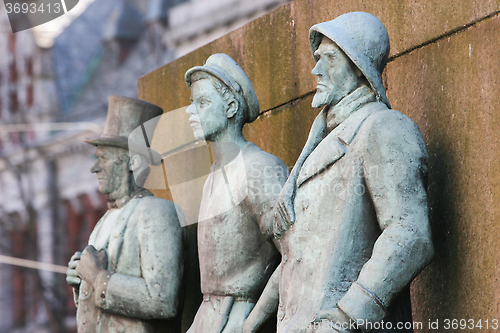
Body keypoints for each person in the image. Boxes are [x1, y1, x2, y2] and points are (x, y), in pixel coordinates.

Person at [273, 12, 434, 333]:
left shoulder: (384, 127)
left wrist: (348, 316)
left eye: (329, 58)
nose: (315, 69)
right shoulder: (319, 143)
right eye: (317, 58)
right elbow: (298, 257)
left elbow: (409, 234)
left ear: (357, 68)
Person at [184, 54, 288, 333]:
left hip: (239, 316)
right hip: (208, 318)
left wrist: (251, 321)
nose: (190, 111)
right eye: (192, 102)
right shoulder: (212, 176)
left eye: (202, 102)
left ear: (230, 107)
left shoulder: (259, 168)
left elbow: (295, 253)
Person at [66, 96, 186, 333]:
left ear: (132, 161)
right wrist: (81, 281)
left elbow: (163, 299)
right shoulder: (103, 222)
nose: (94, 168)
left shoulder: (157, 212)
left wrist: (99, 277)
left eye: (103, 159)